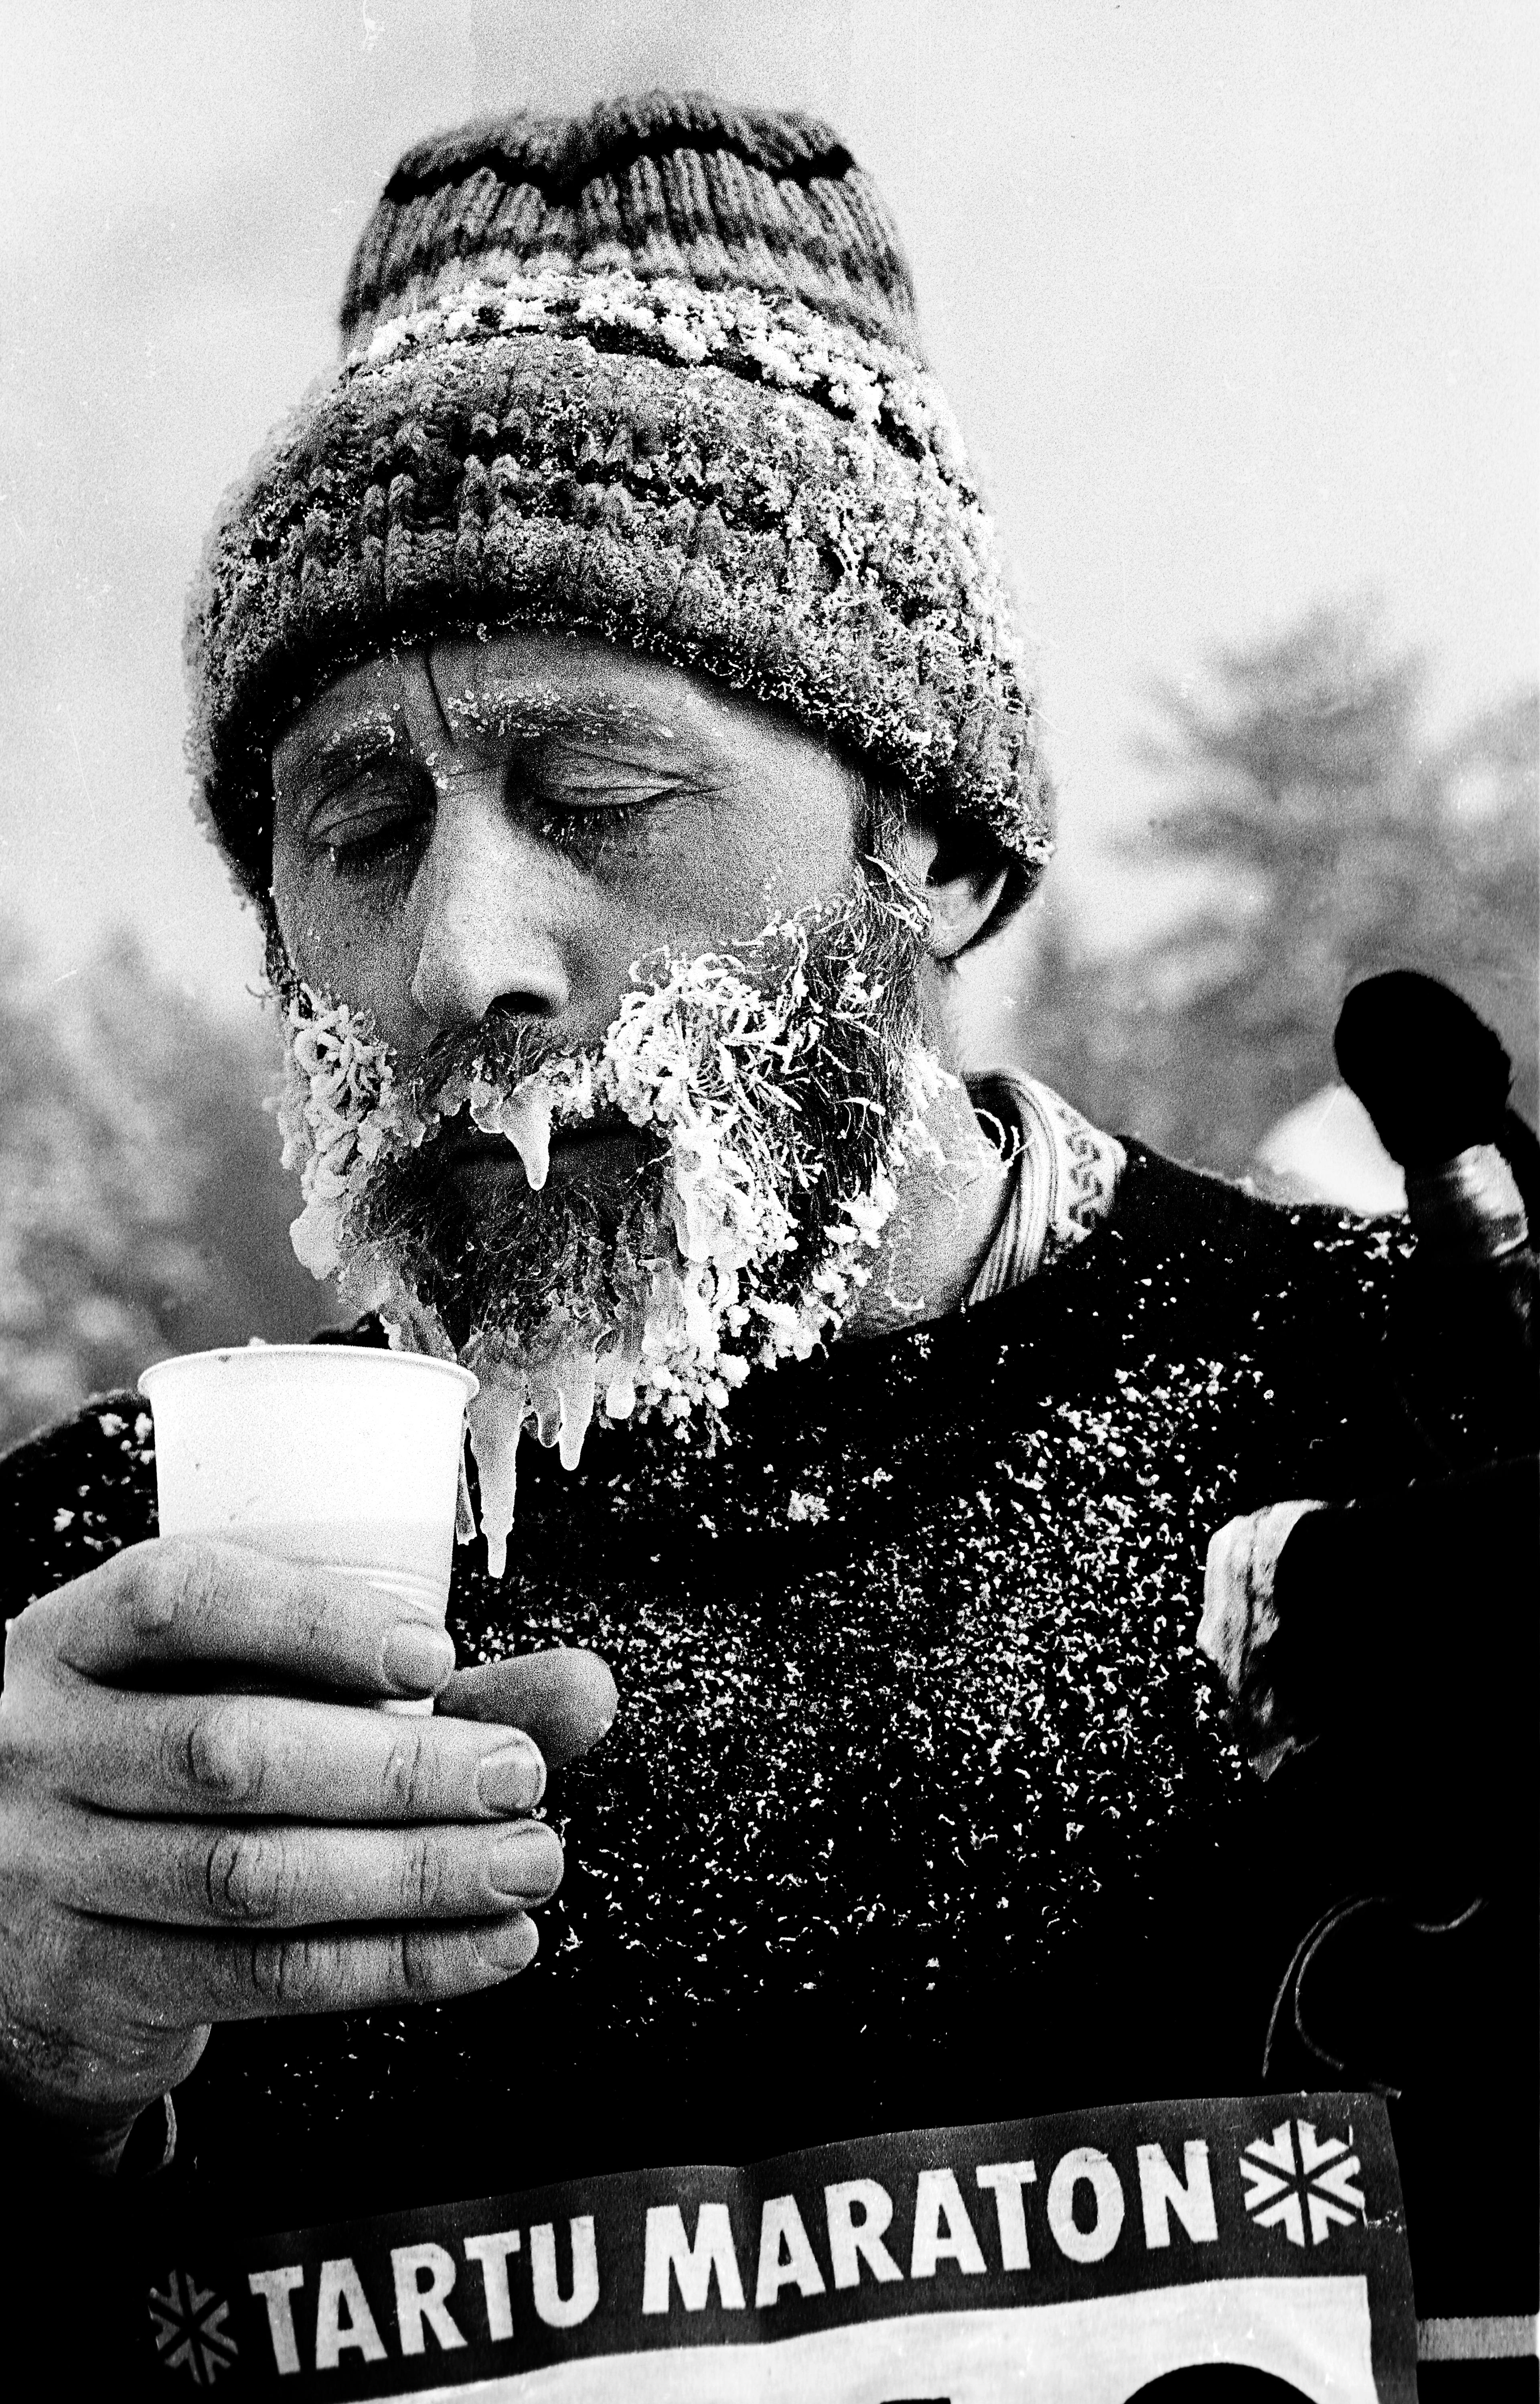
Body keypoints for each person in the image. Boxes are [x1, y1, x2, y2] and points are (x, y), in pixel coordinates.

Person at [0, 93, 1531, 2330]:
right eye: (353, 827)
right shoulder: (85, 1644)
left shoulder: (1409, 1420)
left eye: (595, 789)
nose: (460, 959)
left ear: (937, 846)